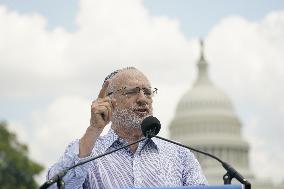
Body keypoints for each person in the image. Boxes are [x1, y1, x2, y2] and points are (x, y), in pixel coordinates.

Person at [47, 67, 207, 189]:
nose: (143, 99)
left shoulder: (180, 155)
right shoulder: (87, 152)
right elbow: (55, 186)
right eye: (132, 92)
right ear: (109, 101)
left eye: (148, 92)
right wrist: (94, 130)